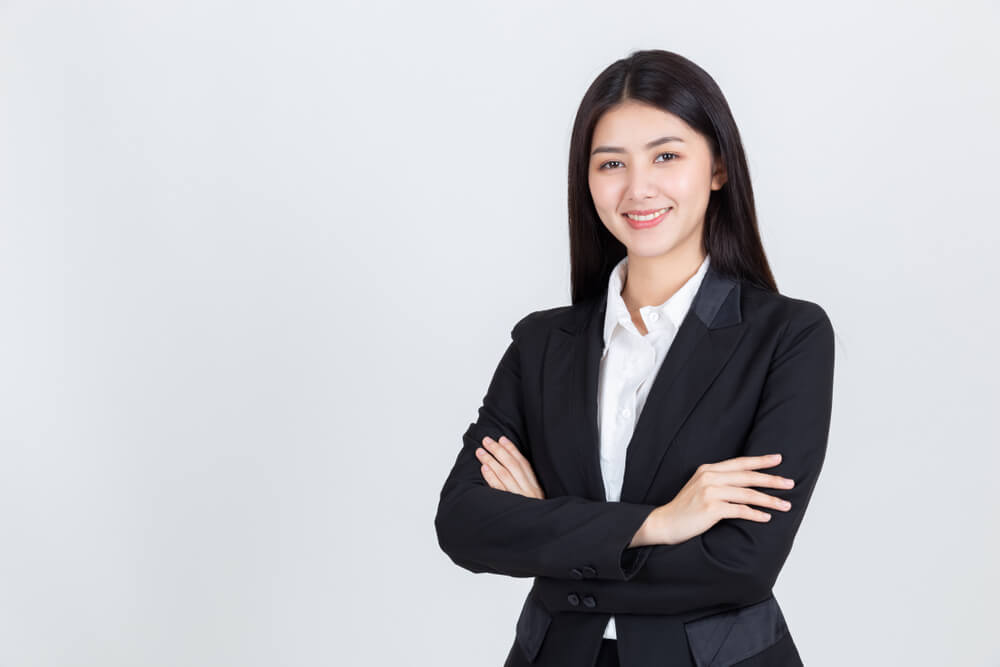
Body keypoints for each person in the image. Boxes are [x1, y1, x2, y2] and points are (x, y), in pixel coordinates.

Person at [434, 49, 835, 667]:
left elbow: (741, 566)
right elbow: (462, 524)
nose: (637, 187)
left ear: (718, 168)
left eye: (666, 156)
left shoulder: (787, 336)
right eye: (611, 163)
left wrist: (549, 533)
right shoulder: (541, 344)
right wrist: (658, 524)